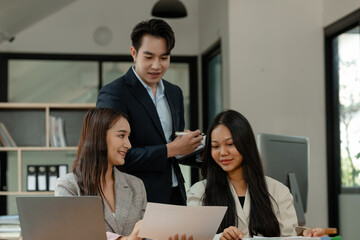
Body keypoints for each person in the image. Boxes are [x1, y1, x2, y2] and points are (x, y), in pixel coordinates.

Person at [96, 18, 203, 205]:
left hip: (176, 192)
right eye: (148, 57)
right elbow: (113, 153)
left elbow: (173, 147)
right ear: (133, 53)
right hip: (135, 197)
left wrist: (195, 147)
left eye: (164, 58)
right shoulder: (114, 93)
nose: (156, 65)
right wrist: (172, 149)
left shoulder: (174, 92)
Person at [187, 109, 326, 239]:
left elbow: (289, 237)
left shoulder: (279, 192)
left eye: (230, 144)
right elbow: (195, 237)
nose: (223, 152)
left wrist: (305, 237)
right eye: (215, 146)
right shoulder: (199, 193)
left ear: (246, 144)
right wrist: (219, 237)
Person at [55, 108, 145, 240]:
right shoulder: (68, 186)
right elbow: (71, 235)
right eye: (121, 135)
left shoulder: (136, 185)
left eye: (128, 137)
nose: (129, 144)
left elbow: (146, 234)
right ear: (100, 137)